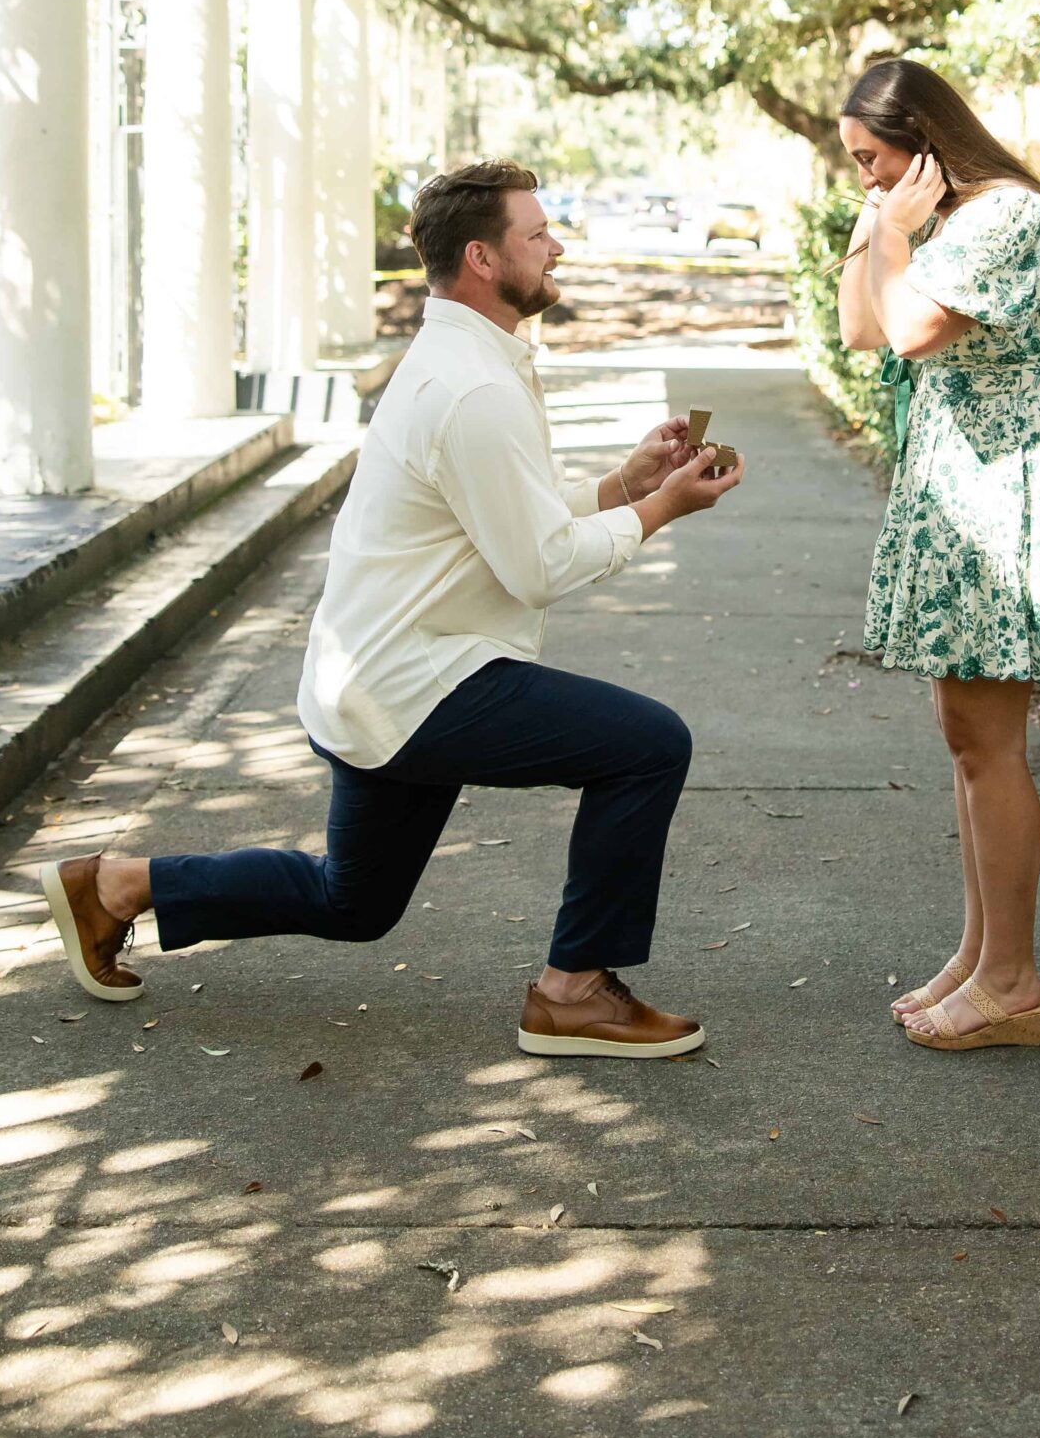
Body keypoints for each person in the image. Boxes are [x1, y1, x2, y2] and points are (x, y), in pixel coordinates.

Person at [40, 160, 745, 1058]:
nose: (557, 243)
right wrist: (660, 511)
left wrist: (620, 485)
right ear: (484, 258)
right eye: (538, 233)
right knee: (648, 745)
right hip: (420, 681)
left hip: (382, 673)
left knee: (355, 902)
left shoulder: (464, 361)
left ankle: (113, 888)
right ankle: (573, 991)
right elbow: (536, 567)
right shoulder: (473, 385)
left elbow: (501, 522)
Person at [836, 59, 1040, 1053]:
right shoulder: (952, 220)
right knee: (966, 737)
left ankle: (1013, 981)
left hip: (1002, 502)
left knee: (988, 743)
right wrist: (881, 221)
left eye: (872, 159)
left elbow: (907, 328)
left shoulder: (1005, 219)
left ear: (923, 140)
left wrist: (897, 230)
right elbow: (861, 322)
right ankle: (978, 953)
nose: (865, 178)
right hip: (965, 496)